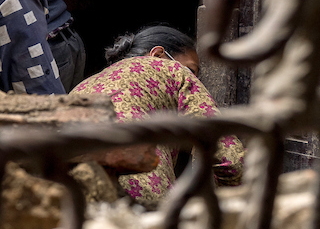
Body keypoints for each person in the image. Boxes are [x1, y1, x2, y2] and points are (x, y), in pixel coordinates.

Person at [70, 25, 244, 208]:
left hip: (70, 194)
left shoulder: (80, 88)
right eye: (192, 70)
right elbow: (227, 157)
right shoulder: (173, 70)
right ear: (158, 54)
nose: (195, 80)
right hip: (135, 185)